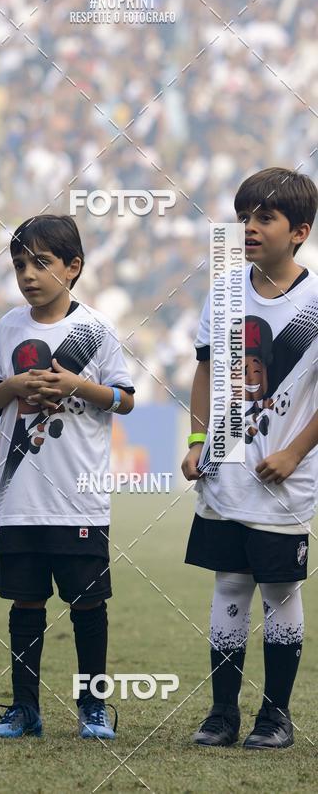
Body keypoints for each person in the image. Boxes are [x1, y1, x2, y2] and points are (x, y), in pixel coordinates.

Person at [0, 215, 135, 739]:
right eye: (20, 264)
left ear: (73, 266)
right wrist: (15, 384)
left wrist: (76, 385)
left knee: (88, 603)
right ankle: (25, 709)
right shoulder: (8, 328)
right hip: (20, 499)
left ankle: (93, 708)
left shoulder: (96, 329)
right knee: (26, 602)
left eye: (41, 262)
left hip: (79, 501)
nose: (29, 274)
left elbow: (125, 399)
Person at [182, 167, 318, 749]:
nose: (249, 228)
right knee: (228, 586)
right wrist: (195, 442)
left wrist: (293, 451)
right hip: (227, 471)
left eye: (265, 217)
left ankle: (276, 715)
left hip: (285, 481)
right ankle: (222, 714)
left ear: (300, 232)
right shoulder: (226, 290)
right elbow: (207, 371)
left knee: (279, 592)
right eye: (244, 217)